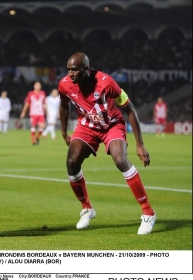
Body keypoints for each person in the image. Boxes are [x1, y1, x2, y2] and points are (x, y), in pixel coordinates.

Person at [58, 52, 156, 235]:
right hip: (86, 126)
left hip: (111, 125)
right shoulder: (64, 85)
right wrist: (64, 132)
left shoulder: (106, 82)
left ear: (86, 70)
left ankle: (148, 212)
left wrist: (140, 144)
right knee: (71, 162)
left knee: (120, 160)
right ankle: (87, 208)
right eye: (68, 70)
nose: (70, 74)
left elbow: (130, 108)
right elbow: (64, 106)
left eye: (75, 70)